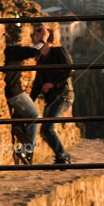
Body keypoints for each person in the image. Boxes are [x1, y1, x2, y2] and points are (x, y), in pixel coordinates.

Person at [3, 25, 50, 164]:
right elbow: (35, 52)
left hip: (12, 91)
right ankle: (27, 151)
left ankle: (21, 136)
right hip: (15, 92)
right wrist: (43, 39)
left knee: (23, 120)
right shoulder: (14, 50)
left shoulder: (10, 50)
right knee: (35, 116)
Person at [30, 31, 74, 165]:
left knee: (47, 128)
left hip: (63, 96)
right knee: (45, 130)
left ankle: (64, 156)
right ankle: (62, 156)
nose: (33, 39)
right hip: (52, 99)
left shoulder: (58, 51)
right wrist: (29, 102)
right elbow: (38, 83)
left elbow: (69, 69)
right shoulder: (41, 60)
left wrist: (53, 83)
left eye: (36, 35)